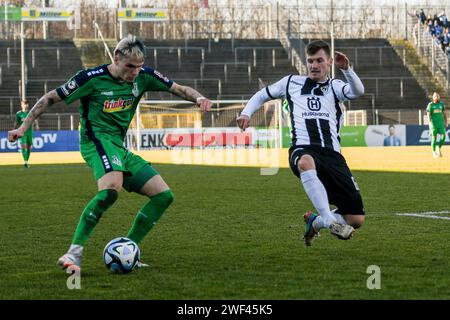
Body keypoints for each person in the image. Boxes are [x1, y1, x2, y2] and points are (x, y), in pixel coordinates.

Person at [7, 34, 212, 270]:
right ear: (116, 58)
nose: (135, 72)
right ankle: (73, 254)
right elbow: (50, 98)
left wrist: (199, 97)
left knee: (163, 196)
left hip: (118, 146)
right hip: (95, 141)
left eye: (139, 67)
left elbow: (178, 88)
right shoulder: (90, 78)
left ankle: (128, 250)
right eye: (130, 66)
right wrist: (24, 126)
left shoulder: (143, 77)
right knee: (111, 188)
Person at [237, 40, 365, 246]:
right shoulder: (291, 82)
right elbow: (263, 94)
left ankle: (316, 222)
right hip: (303, 148)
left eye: (319, 60)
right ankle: (330, 221)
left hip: (332, 155)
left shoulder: (334, 86)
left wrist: (347, 70)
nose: (314, 65)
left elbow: (357, 91)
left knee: (356, 219)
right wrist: (246, 112)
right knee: (305, 161)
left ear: (329, 62)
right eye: (310, 61)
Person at [426, 92, 447, 158]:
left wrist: (446, 122)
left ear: (439, 97)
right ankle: (434, 152)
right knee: (434, 137)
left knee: (443, 136)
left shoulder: (441, 104)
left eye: (437, 96)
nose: (436, 97)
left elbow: (444, 114)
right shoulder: (430, 105)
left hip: (440, 123)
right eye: (435, 96)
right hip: (433, 124)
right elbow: (428, 114)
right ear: (433, 97)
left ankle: (439, 148)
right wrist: (430, 122)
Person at [14, 100, 33, 168]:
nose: (25, 105)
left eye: (26, 104)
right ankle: (25, 161)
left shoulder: (30, 113)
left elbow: (33, 120)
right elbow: (16, 123)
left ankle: (26, 161)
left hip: (29, 132)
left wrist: (36, 125)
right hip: (22, 132)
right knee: (23, 146)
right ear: (21, 105)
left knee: (29, 147)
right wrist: (14, 131)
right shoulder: (18, 114)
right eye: (24, 104)